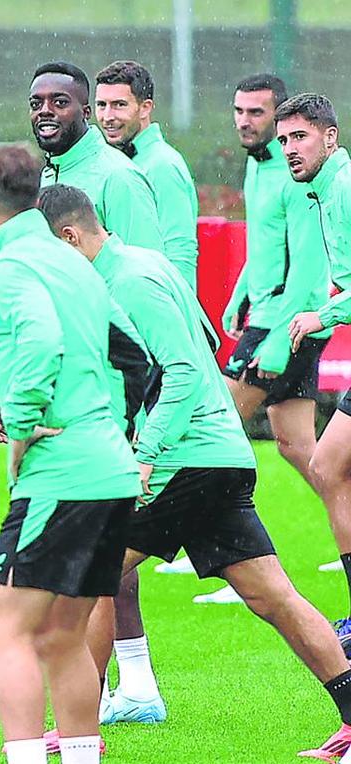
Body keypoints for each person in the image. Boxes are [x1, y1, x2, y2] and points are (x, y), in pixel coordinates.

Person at [37, 184, 351, 764]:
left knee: (88, 578)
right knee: (274, 597)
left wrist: (146, 450)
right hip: (217, 455)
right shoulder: (141, 266)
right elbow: (201, 340)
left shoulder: (131, 281)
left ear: (69, 237)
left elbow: (182, 366)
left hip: (187, 461)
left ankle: (80, 730)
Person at [0, 143, 138, 764]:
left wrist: (20, 416)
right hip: (110, 470)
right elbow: (130, 355)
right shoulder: (68, 256)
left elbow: (43, 339)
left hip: (63, 476)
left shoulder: (14, 264)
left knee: (0, 630)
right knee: (61, 637)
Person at [198, 75, 334, 604]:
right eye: (239, 111)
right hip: (267, 318)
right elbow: (266, 244)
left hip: (286, 326)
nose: (244, 122)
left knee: (213, 427)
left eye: (257, 113)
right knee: (300, 448)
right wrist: (239, 294)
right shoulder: (259, 169)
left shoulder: (298, 177)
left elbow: (311, 264)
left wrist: (278, 342)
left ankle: (236, 557)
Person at [282, 93, 351, 659]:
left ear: (329, 138)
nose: (289, 149)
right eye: (284, 141)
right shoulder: (326, 190)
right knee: (327, 465)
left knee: (326, 464)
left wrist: (322, 313)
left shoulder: (346, 188)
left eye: (299, 137)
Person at [30, 61, 164, 253]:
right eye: (36, 104)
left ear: (85, 112)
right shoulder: (48, 173)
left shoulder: (119, 176)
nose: (44, 111)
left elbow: (146, 269)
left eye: (60, 102)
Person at [94, 60, 199, 286]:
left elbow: (180, 252)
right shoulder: (113, 161)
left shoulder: (163, 165)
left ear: (145, 107)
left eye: (119, 105)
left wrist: (173, 314)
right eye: (101, 105)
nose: (107, 116)